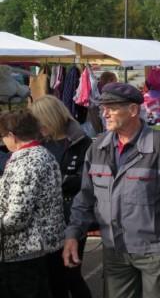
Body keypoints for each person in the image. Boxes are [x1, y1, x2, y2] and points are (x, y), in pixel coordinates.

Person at [63, 82, 160, 298]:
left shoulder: (158, 146)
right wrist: (72, 234)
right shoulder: (97, 149)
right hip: (115, 250)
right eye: (102, 108)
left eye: (112, 107)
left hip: (156, 252)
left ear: (134, 110)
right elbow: (85, 197)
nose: (104, 114)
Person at [30, 95, 93, 298]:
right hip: (45, 222)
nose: (37, 126)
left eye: (40, 120)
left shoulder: (82, 142)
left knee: (71, 275)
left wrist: (53, 181)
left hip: (72, 217)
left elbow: (87, 181)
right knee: (53, 277)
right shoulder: (38, 143)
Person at [0, 110, 64, 298]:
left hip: (23, 250)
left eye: (3, 136)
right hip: (36, 247)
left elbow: (18, 216)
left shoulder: (27, 161)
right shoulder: (42, 155)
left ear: (12, 136)